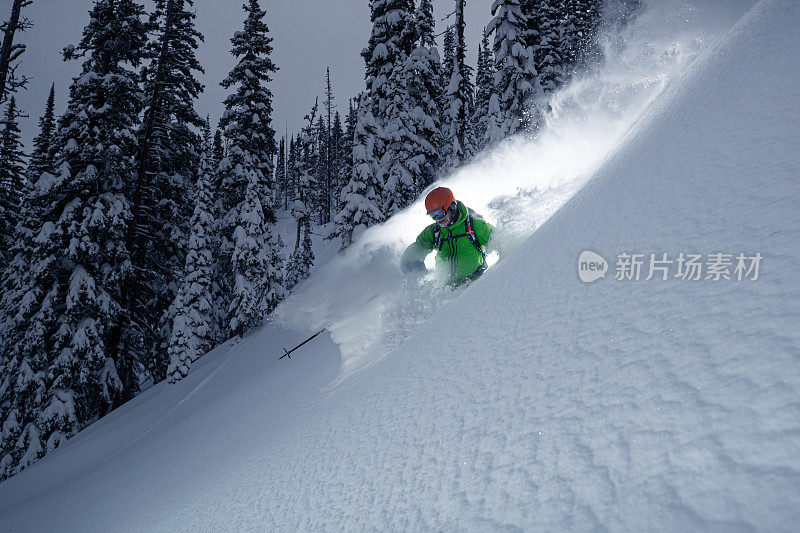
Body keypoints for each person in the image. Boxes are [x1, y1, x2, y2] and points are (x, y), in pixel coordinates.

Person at [401, 187, 494, 286]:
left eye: (440, 213)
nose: (438, 219)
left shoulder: (474, 226)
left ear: (452, 206)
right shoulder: (434, 232)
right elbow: (419, 246)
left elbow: (499, 239)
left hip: (475, 283)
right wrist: (412, 263)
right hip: (446, 289)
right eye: (433, 216)